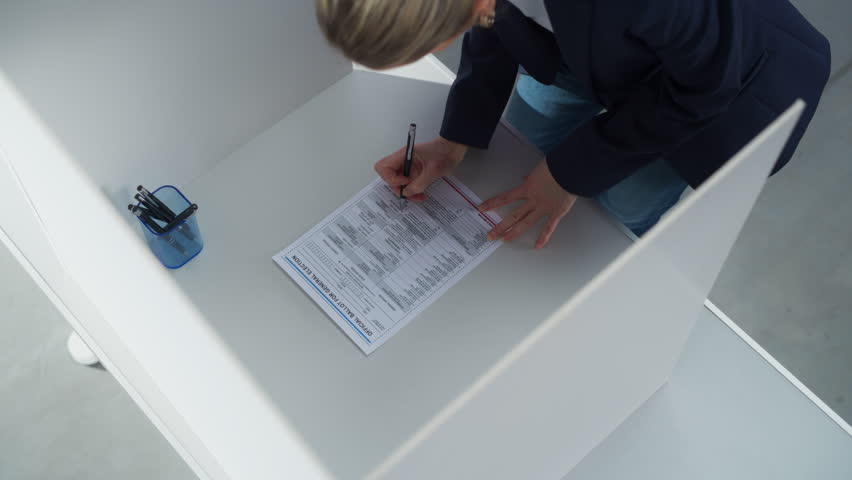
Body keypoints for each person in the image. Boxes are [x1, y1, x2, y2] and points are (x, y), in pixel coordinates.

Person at [315, 0, 831, 247]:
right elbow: (496, 21)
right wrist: (455, 140)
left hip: (728, 85)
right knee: (524, 151)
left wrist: (568, 174)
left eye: (431, 44)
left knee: (620, 211)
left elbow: (708, 83)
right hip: (581, 48)